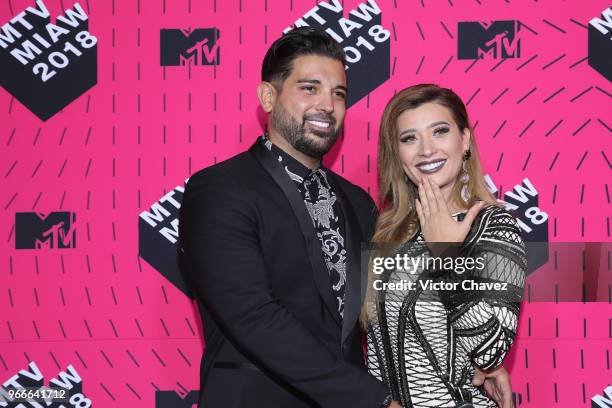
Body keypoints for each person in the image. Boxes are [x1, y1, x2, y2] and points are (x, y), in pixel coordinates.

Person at [180, 27, 513, 407]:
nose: (327, 105)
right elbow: (255, 318)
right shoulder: (220, 189)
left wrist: (469, 366)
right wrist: (373, 401)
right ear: (268, 96)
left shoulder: (357, 203)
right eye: (310, 88)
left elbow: (392, 314)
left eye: (338, 93)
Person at [362, 84, 527, 408]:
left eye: (439, 132)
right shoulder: (387, 233)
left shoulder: (494, 226)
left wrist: (446, 257)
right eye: (409, 138)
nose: (426, 150)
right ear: (397, 153)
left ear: (464, 141)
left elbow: (491, 353)